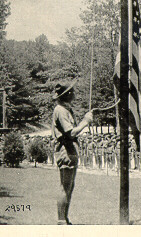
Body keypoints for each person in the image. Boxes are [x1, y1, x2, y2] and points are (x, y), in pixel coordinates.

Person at [52, 81, 93, 225]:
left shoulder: (65, 110)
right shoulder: (61, 110)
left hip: (70, 150)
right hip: (66, 150)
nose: (74, 93)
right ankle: (61, 220)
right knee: (65, 185)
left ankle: (65, 218)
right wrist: (85, 121)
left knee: (69, 186)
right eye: (72, 91)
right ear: (67, 94)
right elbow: (70, 133)